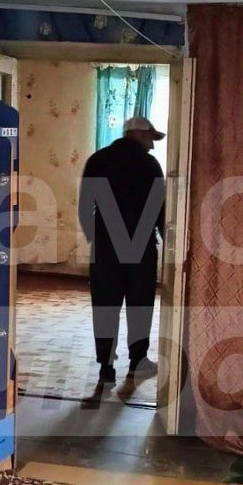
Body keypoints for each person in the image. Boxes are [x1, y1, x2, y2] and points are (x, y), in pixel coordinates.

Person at [77, 115, 166, 406]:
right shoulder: (150, 165)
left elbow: (84, 207)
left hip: (106, 250)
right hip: (141, 250)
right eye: (151, 138)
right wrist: (169, 244)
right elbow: (160, 210)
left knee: (105, 310)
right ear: (138, 134)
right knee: (140, 307)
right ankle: (137, 365)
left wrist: (98, 240)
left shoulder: (98, 160)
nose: (152, 145)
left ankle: (105, 372)